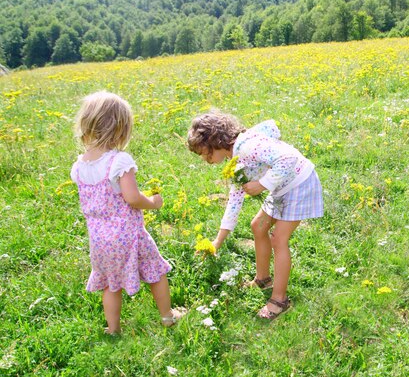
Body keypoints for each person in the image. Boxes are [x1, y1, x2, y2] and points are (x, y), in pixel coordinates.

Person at [187, 110, 323, 320]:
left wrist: (262, 184)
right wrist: (217, 241)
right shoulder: (236, 161)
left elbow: (287, 159)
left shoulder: (247, 146)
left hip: (299, 183)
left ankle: (279, 300)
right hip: (282, 186)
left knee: (279, 239)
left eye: (203, 152)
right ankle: (263, 279)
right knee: (258, 225)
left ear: (214, 140)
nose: (204, 159)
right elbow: (234, 202)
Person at [71, 91, 185, 334]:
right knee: (156, 272)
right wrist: (153, 202)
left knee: (111, 286)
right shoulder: (119, 161)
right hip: (129, 236)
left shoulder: (79, 166)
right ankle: (167, 316)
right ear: (119, 128)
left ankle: (113, 329)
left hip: (99, 241)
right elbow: (132, 198)